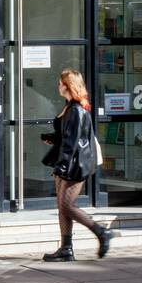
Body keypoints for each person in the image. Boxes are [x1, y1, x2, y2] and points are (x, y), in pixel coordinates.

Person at [39, 69, 113, 262]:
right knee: (62, 207)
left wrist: (62, 167)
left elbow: (72, 142)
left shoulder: (76, 110)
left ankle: (101, 232)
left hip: (75, 164)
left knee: (66, 206)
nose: (58, 85)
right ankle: (66, 249)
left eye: (60, 82)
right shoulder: (70, 106)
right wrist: (52, 138)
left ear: (68, 85)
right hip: (68, 162)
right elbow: (68, 135)